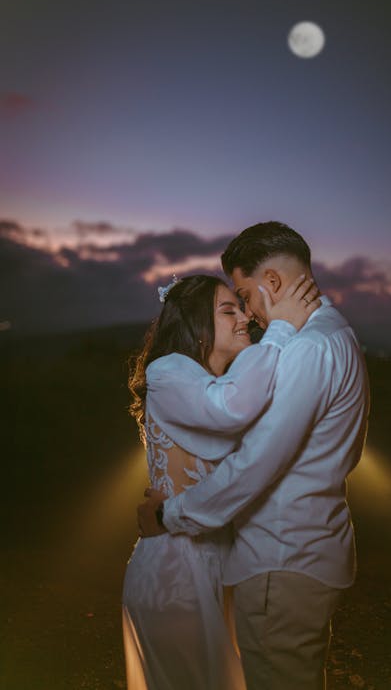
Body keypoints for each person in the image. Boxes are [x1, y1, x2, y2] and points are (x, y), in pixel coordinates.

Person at [139, 221, 370, 690]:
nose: (247, 312)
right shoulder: (337, 337)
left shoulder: (308, 348)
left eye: (243, 295)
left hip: (282, 558)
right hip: (302, 550)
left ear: (274, 285)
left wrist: (171, 514)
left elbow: (257, 462)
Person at [122, 272, 319, 690]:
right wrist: (281, 329)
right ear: (195, 324)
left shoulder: (228, 382)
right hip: (173, 571)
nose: (244, 318)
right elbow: (230, 407)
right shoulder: (167, 370)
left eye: (242, 308)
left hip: (219, 563)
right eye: (228, 310)